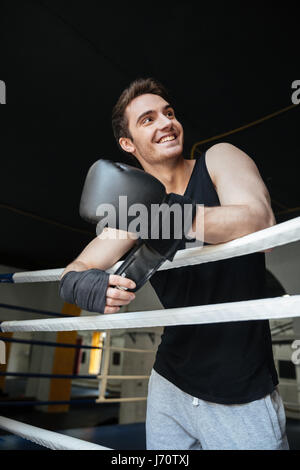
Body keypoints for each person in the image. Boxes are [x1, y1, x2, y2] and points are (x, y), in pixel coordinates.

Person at [60, 78, 289, 450]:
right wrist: (87, 287)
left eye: (168, 113)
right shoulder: (138, 210)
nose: (166, 122)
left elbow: (258, 220)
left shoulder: (218, 159)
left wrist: (163, 216)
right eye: (148, 119)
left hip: (241, 385)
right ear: (127, 144)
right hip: (170, 381)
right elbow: (78, 267)